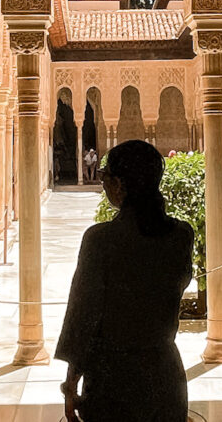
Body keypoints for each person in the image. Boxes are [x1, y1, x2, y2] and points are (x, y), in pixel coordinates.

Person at [56, 140, 194, 422]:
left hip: (113, 379)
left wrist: (71, 383)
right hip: (165, 375)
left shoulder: (101, 240)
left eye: (105, 176)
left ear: (119, 185)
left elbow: (82, 316)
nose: (103, 183)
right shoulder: (181, 236)